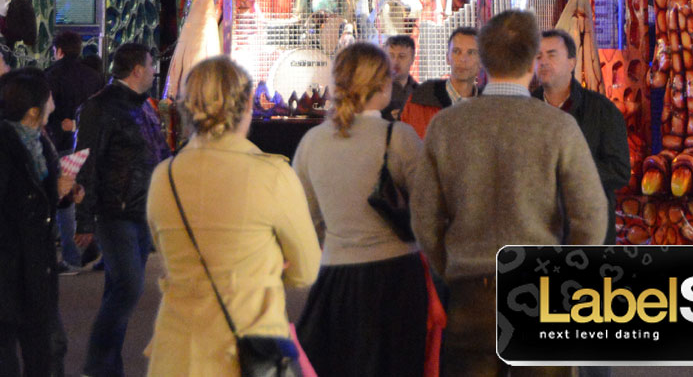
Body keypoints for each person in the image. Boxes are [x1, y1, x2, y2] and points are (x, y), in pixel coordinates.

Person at [412, 10, 607, 377]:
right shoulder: (558, 126)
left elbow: (424, 216)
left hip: (471, 290)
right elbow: (592, 214)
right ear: (532, 60)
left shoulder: (447, 126)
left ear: (483, 60)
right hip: (543, 287)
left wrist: (451, 265)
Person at [145, 55, 320, 375]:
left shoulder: (164, 176)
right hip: (246, 355)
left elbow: (166, 251)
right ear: (248, 105)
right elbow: (306, 271)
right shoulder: (273, 176)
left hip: (176, 354)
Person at [292, 42, 429, 377]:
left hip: (337, 276)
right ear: (382, 85)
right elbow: (429, 208)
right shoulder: (399, 137)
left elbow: (305, 217)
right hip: (398, 276)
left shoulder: (312, 142)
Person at [75, 41, 170, 377]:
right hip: (114, 212)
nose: (155, 71)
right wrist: (84, 218)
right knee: (129, 287)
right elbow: (87, 162)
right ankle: (96, 365)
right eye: (151, 64)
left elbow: (158, 154)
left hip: (140, 211)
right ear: (137, 69)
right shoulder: (100, 107)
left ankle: (106, 367)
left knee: (119, 289)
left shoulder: (143, 106)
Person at [0, 68, 77, 376]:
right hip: (9, 266)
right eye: (49, 100)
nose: (54, 106)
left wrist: (68, 193)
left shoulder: (40, 142)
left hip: (38, 266)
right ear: (34, 110)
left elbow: (45, 192)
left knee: (44, 347)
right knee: (7, 350)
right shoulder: (5, 146)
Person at [532, 28, 631, 243]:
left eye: (551, 55)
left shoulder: (602, 110)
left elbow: (620, 172)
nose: (543, 62)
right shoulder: (523, 111)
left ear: (572, 62)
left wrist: (572, 170)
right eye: (538, 56)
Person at [46, 29, 102, 271]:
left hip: (60, 144)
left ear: (58, 50)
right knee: (87, 194)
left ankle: (71, 256)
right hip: (89, 144)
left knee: (65, 200)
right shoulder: (94, 77)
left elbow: (46, 113)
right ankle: (95, 248)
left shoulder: (50, 75)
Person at [400, 25, 480, 137]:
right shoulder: (419, 102)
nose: (463, 59)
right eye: (457, 51)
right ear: (447, 57)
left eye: (471, 52)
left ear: (481, 61)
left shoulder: (490, 107)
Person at [382, 34, 417, 120]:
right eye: (391, 56)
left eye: (401, 56)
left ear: (412, 59)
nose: (395, 61)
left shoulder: (420, 93)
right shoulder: (376, 92)